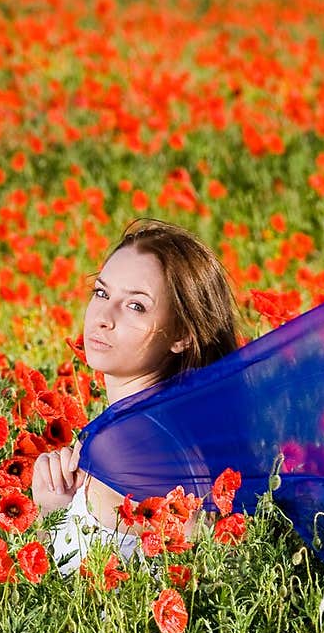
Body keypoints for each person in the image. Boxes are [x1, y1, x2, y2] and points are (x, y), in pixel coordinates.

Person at [31, 218, 242, 576]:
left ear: (181, 336)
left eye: (136, 306)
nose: (103, 317)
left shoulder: (125, 446)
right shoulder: (169, 425)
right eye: (102, 293)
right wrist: (54, 508)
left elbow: (210, 562)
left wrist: (50, 515)